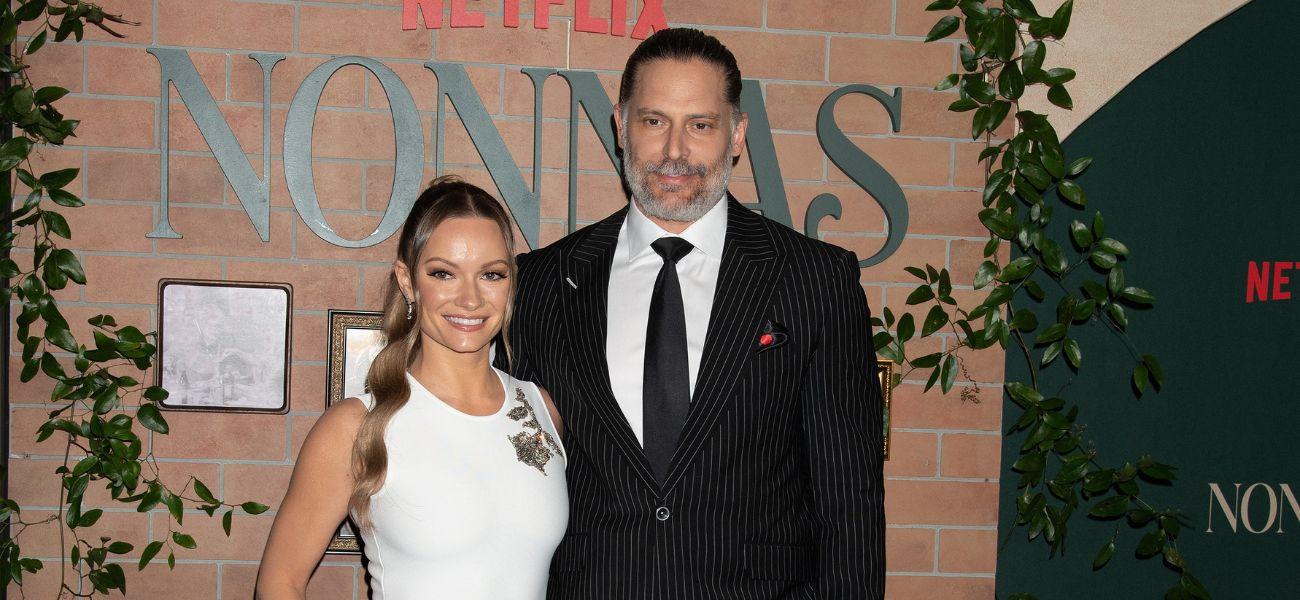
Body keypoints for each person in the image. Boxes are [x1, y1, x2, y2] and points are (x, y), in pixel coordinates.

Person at [503, 28, 885, 599]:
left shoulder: (814, 280)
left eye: (700, 125)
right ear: (620, 126)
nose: (675, 152)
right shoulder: (539, 284)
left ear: (736, 135)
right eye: (654, 121)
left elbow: (849, 506)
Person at [256, 177, 568, 600]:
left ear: (510, 282)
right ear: (408, 281)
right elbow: (281, 583)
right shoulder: (357, 427)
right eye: (444, 273)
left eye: (490, 275)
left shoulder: (541, 409)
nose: (471, 299)